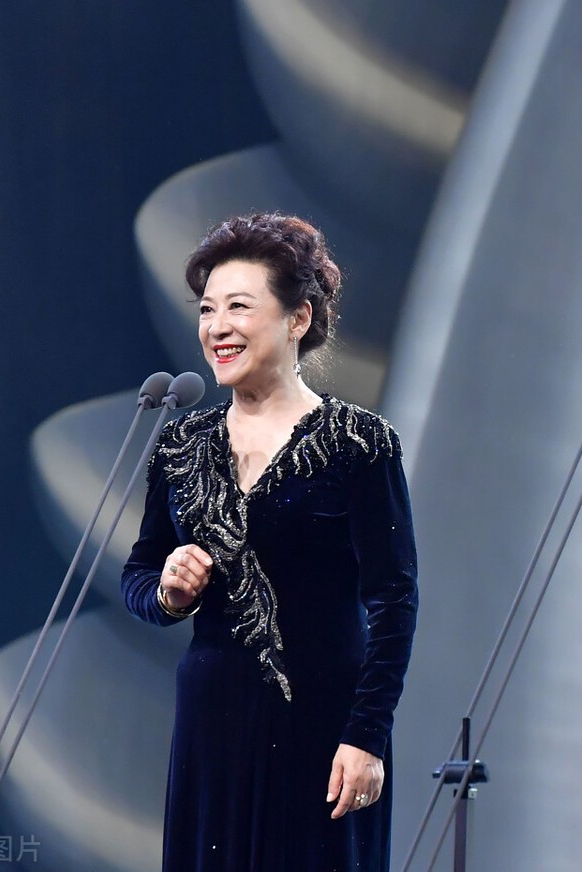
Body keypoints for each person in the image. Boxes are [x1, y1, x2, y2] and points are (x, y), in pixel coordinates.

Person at [121, 212, 419, 871]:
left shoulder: (359, 443)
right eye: (207, 310)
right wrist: (167, 593)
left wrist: (367, 737)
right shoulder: (181, 445)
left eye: (238, 307)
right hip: (212, 728)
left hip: (325, 732)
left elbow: (395, 601)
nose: (216, 327)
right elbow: (138, 575)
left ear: (298, 318)